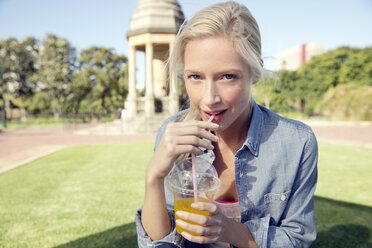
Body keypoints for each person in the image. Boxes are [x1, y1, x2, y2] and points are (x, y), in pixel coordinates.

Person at [135, 1, 318, 247]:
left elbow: (298, 238)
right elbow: (160, 242)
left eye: (227, 76)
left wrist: (230, 231)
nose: (209, 99)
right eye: (195, 77)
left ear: (255, 72)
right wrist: (154, 177)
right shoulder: (173, 132)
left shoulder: (297, 142)